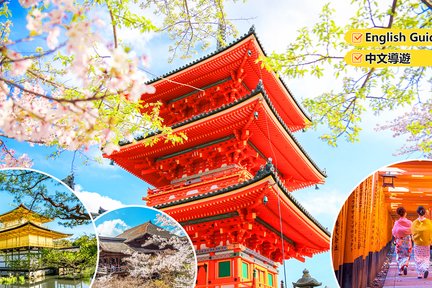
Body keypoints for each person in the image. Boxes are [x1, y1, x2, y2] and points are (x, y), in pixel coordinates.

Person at [412, 205, 432, 279]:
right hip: (426, 243)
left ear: (418, 213)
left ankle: (420, 273)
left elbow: (413, 232)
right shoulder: (429, 222)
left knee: (417, 257)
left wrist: (414, 239)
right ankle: (425, 268)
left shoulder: (414, 223)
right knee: (426, 257)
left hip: (418, 244)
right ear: (425, 213)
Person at [392, 207, 412, 276]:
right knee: (407, 253)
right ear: (405, 213)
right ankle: (405, 265)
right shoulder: (409, 222)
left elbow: (394, 232)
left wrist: (396, 236)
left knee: (399, 254)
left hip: (399, 240)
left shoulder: (397, 223)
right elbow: (412, 230)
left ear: (398, 214)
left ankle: (400, 269)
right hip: (407, 240)